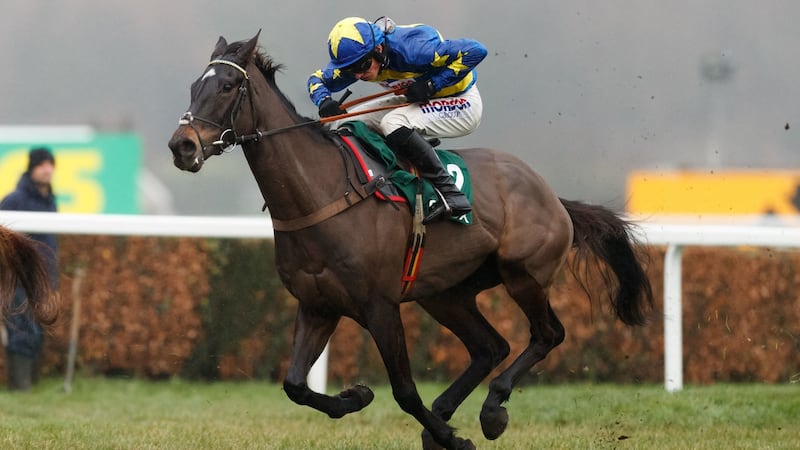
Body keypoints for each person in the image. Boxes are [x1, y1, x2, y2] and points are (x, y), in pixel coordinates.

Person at [307, 17, 487, 223]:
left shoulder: (414, 51)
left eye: (362, 65)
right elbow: (316, 79)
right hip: (417, 100)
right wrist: (323, 100)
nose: (358, 75)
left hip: (461, 102)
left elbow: (476, 50)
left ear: (379, 49)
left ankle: (451, 193)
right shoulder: (361, 59)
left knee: (392, 123)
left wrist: (432, 85)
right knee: (343, 123)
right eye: (350, 69)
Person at [0, 147, 58, 391]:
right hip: (19, 281)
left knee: (36, 333)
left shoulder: (50, 201)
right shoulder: (14, 200)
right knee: (23, 331)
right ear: (31, 168)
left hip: (42, 281)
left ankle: (29, 385)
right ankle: (20, 387)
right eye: (41, 164)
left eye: (49, 164)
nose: (46, 169)